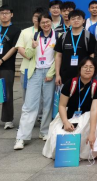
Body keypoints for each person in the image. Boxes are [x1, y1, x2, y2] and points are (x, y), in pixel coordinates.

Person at [43, 57, 97, 161]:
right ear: (80, 69)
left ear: (94, 70)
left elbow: (94, 109)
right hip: (68, 116)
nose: (88, 69)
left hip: (87, 117)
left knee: (96, 120)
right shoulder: (70, 83)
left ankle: (84, 153)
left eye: (91, 67)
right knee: (57, 138)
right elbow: (61, 105)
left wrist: (92, 133)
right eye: (85, 67)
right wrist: (65, 122)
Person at [14, 13, 57, 150]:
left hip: (50, 72)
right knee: (29, 105)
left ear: (51, 22)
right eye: (43, 22)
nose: (46, 24)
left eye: (48, 21)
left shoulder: (58, 36)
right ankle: (22, 137)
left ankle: (44, 131)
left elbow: (58, 57)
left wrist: (51, 73)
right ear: (39, 24)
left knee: (48, 104)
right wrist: (32, 46)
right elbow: (28, 55)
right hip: (35, 72)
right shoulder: (35, 36)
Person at [54, 9, 96, 86]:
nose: (76, 21)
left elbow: (92, 55)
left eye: (78, 18)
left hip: (84, 76)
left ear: (83, 21)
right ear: (69, 21)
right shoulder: (63, 37)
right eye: (73, 19)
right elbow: (58, 56)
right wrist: (57, 75)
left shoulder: (89, 36)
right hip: (65, 76)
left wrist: (90, 73)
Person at [15, 8, 44, 102]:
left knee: (42, 95)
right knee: (27, 93)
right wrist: (29, 56)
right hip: (27, 68)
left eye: (39, 17)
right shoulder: (25, 31)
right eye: (35, 16)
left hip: (43, 68)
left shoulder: (49, 32)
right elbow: (20, 47)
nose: (37, 19)